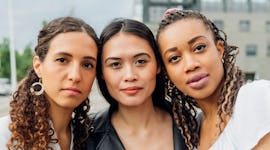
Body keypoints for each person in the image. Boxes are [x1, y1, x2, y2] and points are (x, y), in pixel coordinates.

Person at [156, 8, 270, 150]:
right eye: (174, 58)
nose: (190, 65)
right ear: (167, 73)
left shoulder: (257, 98)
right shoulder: (190, 134)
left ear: (219, 50)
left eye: (199, 48)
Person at [86, 18, 187, 150]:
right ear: (101, 73)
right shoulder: (85, 136)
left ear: (158, 65)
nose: (130, 76)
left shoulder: (193, 124)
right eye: (115, 64)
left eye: (140, 61)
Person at [0, 16, 99, 149]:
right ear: (38, 66)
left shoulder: (90, 137)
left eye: (87, 65)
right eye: (62, 60)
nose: (75, 76)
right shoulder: (6, 135)